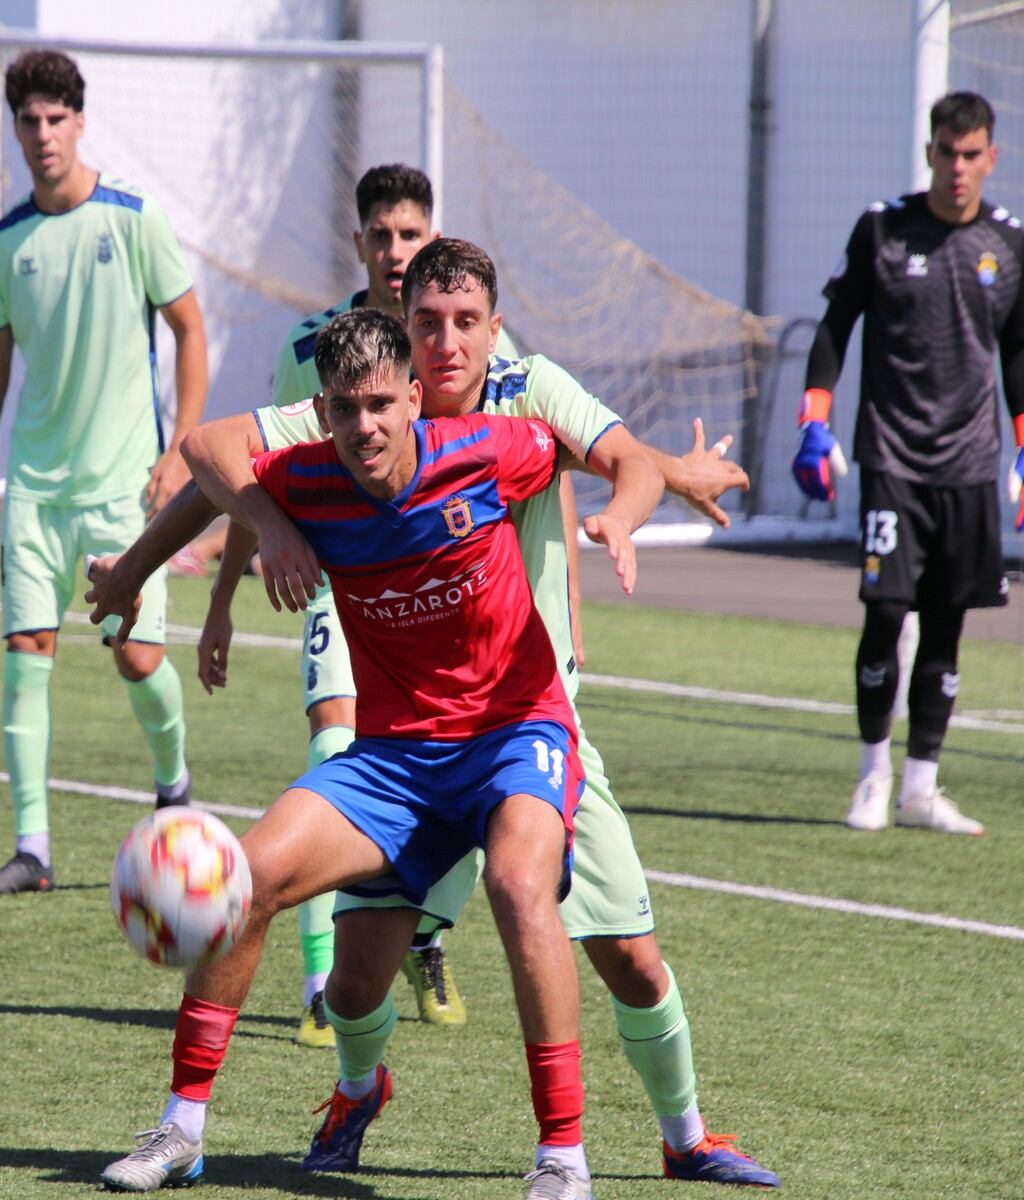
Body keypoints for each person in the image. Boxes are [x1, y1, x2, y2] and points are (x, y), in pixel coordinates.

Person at [90, 239, 780, 1189]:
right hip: (398, 756)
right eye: (427, 322)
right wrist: (178, 559)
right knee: (330, 958)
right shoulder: (339, 417)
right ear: (399, 342)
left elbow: (613, 455)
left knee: (598, 937)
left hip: (528, 731)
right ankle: (211, 1122)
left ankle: (648, 1142)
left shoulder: (519, 410)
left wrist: (641, 496)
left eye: (465, 324)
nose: (445, 343)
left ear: (489, 335)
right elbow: (213, 455)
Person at [267, 163, 528, 1045]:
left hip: (451, 602)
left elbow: (551, 466)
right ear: (360, 245)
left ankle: (422, 931)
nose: (393, 249)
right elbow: (255, 472)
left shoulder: (470, 352)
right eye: (379, 235)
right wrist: (232, 585)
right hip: (337, 576)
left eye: (408, 235)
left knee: (467, 778)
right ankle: (319, 978)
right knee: (338, 742)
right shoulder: (313, 346)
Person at [0, 49, 209, 894]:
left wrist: (183, 452)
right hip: (34, 490)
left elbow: (190, 331)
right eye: (28, 120)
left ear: (79, 121)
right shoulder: (4, 244)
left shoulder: (133, 220)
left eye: (55, 119)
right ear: (15, 127)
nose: (41, 135)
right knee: (27, 655)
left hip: (123, 493)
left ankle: (174, 785)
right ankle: (34, 849)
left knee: (135, 660)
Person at [794, 90, 1022, 836]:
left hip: (969, 463)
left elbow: (1016, 352)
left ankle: (921, 787)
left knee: (949, 622)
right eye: (946, 153)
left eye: (971, 155)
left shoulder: (1009, 243)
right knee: (887, 612)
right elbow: (835, 325)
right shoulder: (883, 228)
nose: (957, 169)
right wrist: (814, 423)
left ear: (992, 157)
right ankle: (872, 775)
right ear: (929, 153)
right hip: (891, 455)